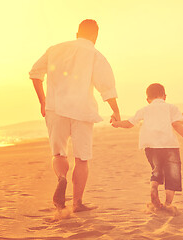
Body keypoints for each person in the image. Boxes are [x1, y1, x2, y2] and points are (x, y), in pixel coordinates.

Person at [29, 19, 120, 212]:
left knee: (59, 153)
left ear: (77, 33)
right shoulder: (95, 54)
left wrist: (43, 101)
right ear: (95, 36)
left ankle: (61, 178)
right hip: (82, 110)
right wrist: (115, 111)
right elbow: (106, 87)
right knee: (82, 158)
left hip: (55, 108)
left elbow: (35, 73)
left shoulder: (55, 49)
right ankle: (77, 203)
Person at [112, 83, 183, 213]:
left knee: (157, 170)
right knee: (172, 174)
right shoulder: (171, 108)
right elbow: (176, 124)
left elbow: (129, 124)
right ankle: (167, 204)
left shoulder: (144, 109)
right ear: (165, 96)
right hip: (170, 146)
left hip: (151, 147)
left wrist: (116, 123)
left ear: (148, 99)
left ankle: (154, 188)